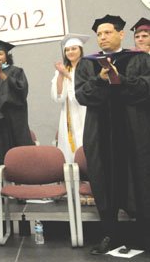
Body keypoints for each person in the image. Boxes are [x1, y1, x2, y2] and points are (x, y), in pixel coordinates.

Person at [75, 14, 150, 254]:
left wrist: (120, 79)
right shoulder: (88, 63)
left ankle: (144, 234)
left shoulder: (139, 59)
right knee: (103, 182)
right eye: (99, 34)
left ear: (121, 34)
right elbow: (82, 95)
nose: (102, 37)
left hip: (134, 132)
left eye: (107, 32)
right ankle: (110, 234)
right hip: (101, 134)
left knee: (140, 180)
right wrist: (100, 79)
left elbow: (146, 88)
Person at [0, 39, 34, 165]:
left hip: (13, 120)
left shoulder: (16, 71)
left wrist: (1, 73)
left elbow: (21, 92)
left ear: (6, 56)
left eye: (0, 54)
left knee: (18, 159)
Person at [50, 34, 89, 163]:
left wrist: (67, 75)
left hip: (86, 112)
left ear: (81, 50)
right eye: (67, 50)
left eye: (74, 48)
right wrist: (61, 75)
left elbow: (86, 89)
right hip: (69, 114)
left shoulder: (88, 67)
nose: (70, 52)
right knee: (69, 150)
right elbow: (59, 97)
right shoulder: (62, 69)